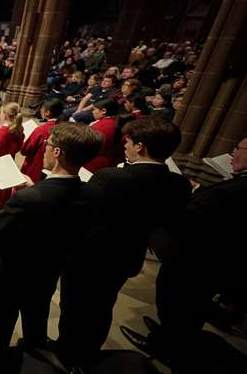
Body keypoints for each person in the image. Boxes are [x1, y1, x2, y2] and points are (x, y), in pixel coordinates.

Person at [0, 122, 103, 372]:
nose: (45, 149)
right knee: (37, 308)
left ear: (57, 152)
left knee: (1, 317)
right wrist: (33, 188)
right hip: (51, 266)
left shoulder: (30, 198)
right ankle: (34, 346)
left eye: (48, 145)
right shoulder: (89, 192)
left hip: (15, 268)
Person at [56, 117, 191, 368]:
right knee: (104, 304)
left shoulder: (110, 178)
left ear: (140, 147)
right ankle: (88, 352)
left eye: (128, 142)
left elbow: (82, 215)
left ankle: (68, 354)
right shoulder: (178, 184)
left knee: (74, 308)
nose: (125, 147)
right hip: (127, 255)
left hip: (89, 258)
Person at [120, 137, 247, 372]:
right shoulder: (237, 186)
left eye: (238, 149)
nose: (233, 154)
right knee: (180, 307)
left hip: (196, 260)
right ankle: (166, 333)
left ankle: (166, 349)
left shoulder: (236, 190)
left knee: (177, 305)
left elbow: (191, 221)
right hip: (210, 259)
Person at [20, 99, 64, 183]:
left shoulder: (41, 130)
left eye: (42, 109)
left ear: (47, 113)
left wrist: (24, 141)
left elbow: (25, 150)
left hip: (36, 165)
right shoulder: (63, 127)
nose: (40, 110)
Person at [83, 99, 120, 172]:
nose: (92, 112)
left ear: (103, 111)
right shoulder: (115, 121)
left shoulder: (100, 127)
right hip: (111, 162)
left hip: (94, 164)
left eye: (94, 109)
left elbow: (87, 146)